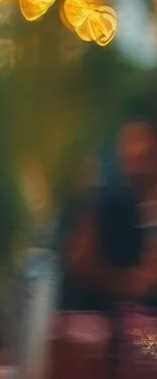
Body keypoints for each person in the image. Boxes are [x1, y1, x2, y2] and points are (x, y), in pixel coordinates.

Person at [62, 117, 157, 313]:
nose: (136, 168)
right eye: (129, 158)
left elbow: (144, 281)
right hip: (103, 319)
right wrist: (125, 283)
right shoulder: (106, 206)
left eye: (143, 157)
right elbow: (78, 261)